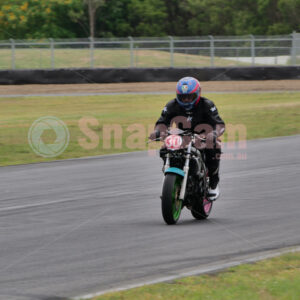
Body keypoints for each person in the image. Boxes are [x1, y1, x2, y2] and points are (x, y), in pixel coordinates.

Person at [149, 76, 225, 201]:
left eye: (190, 97)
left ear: (198, 93)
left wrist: (214, 134)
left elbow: (219, 124)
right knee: (164, 149)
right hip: (182, 136)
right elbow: (162, 122)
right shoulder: (171, 105)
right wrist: (158, 132)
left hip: (203, 136)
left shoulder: (207, 105)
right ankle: (172, 177)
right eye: (183, 97)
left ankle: (213, 182)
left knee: (215, 147)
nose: (186, 100)